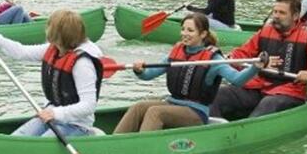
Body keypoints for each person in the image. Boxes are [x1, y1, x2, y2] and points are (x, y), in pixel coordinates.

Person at [113, 13, 265, 133]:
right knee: (139, 107)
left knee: (155, 112)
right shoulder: (176, 52)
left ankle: (142, 148)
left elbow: (237, 80)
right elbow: (148, 75)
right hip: (173, 103)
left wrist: (255, 67)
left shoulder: (213, 59)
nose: (184, 33)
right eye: (183, 29)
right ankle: (115, 142)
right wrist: (139, 70)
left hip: (196, 112)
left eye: (190, 30)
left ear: (203, 34)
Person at [0, 9, 103, 137]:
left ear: (56, 33)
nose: (46, 29)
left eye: (49, 26)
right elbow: (22, 52)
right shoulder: (54, 49)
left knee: (41, 143)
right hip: (51, 117)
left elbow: (88, 105)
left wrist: (55, 113)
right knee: (17, 138)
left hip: (76, 125)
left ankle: (88, 136)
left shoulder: (82, 63)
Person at [209, 0, 307, 120]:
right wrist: (231, 58)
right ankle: (214, 126)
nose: (276, 16)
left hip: (289, 91)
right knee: (219, 93)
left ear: (295, 16)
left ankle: (249, 128)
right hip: (258, 87)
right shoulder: (264, 32)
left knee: (268, 104)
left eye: (282, 13)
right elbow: (242, 53)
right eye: (275, 12)